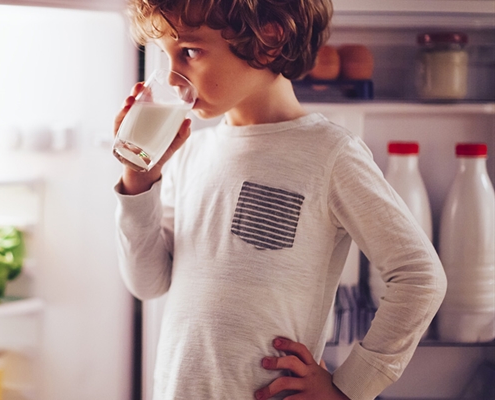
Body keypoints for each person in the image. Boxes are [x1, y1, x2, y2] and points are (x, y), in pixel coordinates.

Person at [112, 0, 447, 399]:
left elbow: (420, 278)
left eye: (190, 52)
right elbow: (148, 282)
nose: (172, 77)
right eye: (165, 55)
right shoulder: (189, 154)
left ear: (268, 40)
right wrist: (139, 180)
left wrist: (350, 388)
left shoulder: (329, 154)